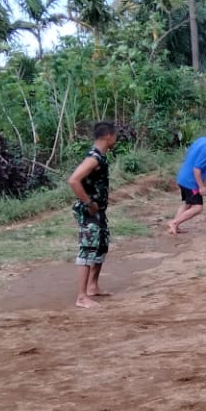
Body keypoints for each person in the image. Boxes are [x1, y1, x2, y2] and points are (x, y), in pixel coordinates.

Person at [67, 121, 118, 308]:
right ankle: (81, 297)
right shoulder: (94, 158)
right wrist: (88, 203)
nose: (116, 138)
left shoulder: (100, 156)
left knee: (101, 245)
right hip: (89, 211)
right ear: (108, 136)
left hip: (98, 211)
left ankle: (92, 287)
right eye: (115, 135)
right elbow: (73, 180)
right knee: (88, 249)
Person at [168, 124, 206, 235]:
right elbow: (197, 170)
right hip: (191, 182)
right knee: (198, 207)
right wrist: (201, 187)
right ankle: (174, 222)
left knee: (188, 204)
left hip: (183, 177)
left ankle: (175, 226)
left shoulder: (202, 140)